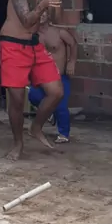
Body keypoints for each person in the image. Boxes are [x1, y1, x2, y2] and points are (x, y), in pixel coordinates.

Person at [0, 0, 63, 160]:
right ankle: (18, 144)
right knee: (17, 99)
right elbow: (27, 21)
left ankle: (36, 127)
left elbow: (55, 20)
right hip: (12, 44)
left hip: (34, 46)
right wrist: (44, 4)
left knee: (56, 92)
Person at [28, 11, 78, 144]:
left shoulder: (59, 32)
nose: (41, 15)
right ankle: (49, 112)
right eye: (39, 13)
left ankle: (63, 133)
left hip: (59, 76)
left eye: (44, 13)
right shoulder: (33, 35)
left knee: (61, 105)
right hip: (42, 77)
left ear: (48, 15)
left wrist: (72, 61)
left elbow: (73, 43)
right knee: (33, 96)